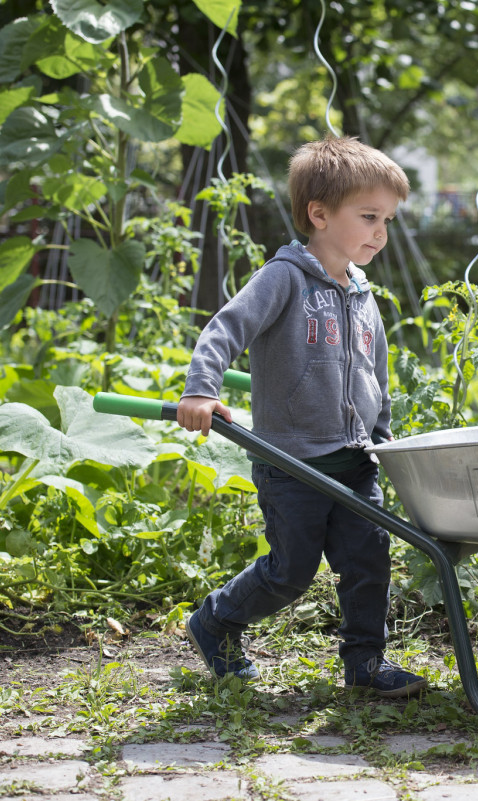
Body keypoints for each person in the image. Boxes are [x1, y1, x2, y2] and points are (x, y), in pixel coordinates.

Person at [176, 136, 426, 698]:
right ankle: (216, 620)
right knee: (292, 570)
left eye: (386, 218)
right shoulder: (283, 278)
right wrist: (200, 391)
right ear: (319, 213)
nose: (381, 231)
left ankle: (365, 666)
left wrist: (382, 440)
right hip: (290, 460)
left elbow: (373, 373)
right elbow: (225, 329)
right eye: (368, 216)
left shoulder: (362, 293)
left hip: (354, 459)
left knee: (368, 563)